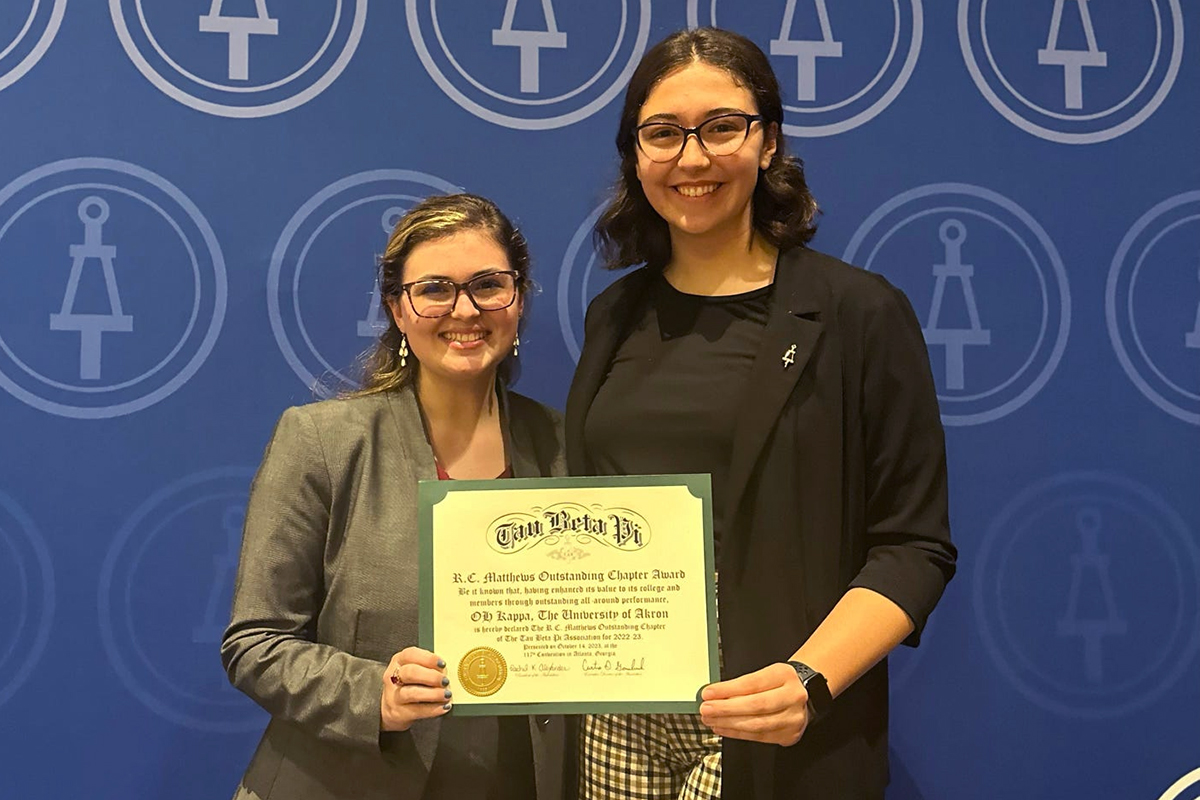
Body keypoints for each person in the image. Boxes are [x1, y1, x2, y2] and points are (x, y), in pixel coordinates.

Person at [565, 28, 957, 800]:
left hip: (772, 721)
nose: (693, 157)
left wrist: (807, 680)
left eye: (722, 127)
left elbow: (913, 545)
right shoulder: (613, 315)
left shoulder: (859, 313)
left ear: (768, 141)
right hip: (619, 717)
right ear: (635, 154)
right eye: (663, 133)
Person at [222, 194, 569, 800]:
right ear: (397, 309)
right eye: (435, 288)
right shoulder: (322, 441)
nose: (465, 308)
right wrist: (373, 692)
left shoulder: (568, 448)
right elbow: (256, 643)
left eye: (489, 284)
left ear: (518, 300)